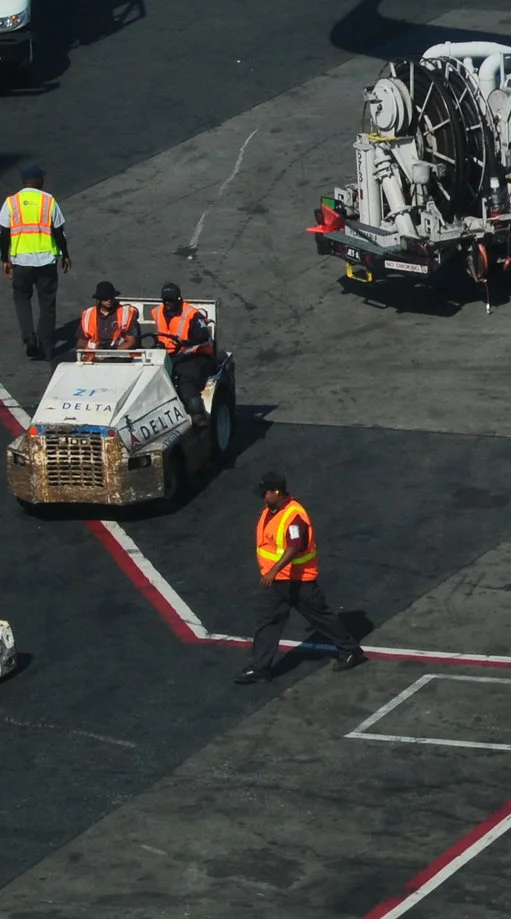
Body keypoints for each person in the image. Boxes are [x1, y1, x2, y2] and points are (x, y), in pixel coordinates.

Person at [242, 472, 364, 682]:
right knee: (268, 621)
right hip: (277, 583)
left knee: (321, 618)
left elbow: (295, 546)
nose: (263, 497)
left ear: (277, 492)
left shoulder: (294, 517)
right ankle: (261, 668)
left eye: (266, 493)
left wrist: (274, 570)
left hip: (299, 581)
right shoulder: (271, 510)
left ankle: (350, 650)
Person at [0, 164, 70, 360]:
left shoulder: (12, 202)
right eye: (42, 178)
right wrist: (65, 254)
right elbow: (58, 231)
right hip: (46, 261)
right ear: (36, 180)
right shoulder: (48, 201)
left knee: (22, 299)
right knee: (47, 304)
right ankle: (46, 346)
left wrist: (5, 259)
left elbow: (4, 234)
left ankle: (29, 337)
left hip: (21, 262)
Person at [152, 282, 215, 421]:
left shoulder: (192, 314)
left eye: (171, 300)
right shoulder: (157, 312)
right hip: (169, 355)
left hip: (195, 355)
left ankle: (197, 413)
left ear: (179, 299)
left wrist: (186, 342)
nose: (168, 303)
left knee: (183, 379)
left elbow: (203, 334)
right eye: (165, 300)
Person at [76, 281, 140, 358]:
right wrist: (90, 352)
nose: (109, 300)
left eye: (111, 297)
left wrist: (110, 354)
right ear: (99, 298)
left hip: (120, 356)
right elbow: (81, 342)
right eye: (105, 298)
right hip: (95, 357)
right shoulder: (88, 314)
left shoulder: (127, 313)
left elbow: (131, 342)